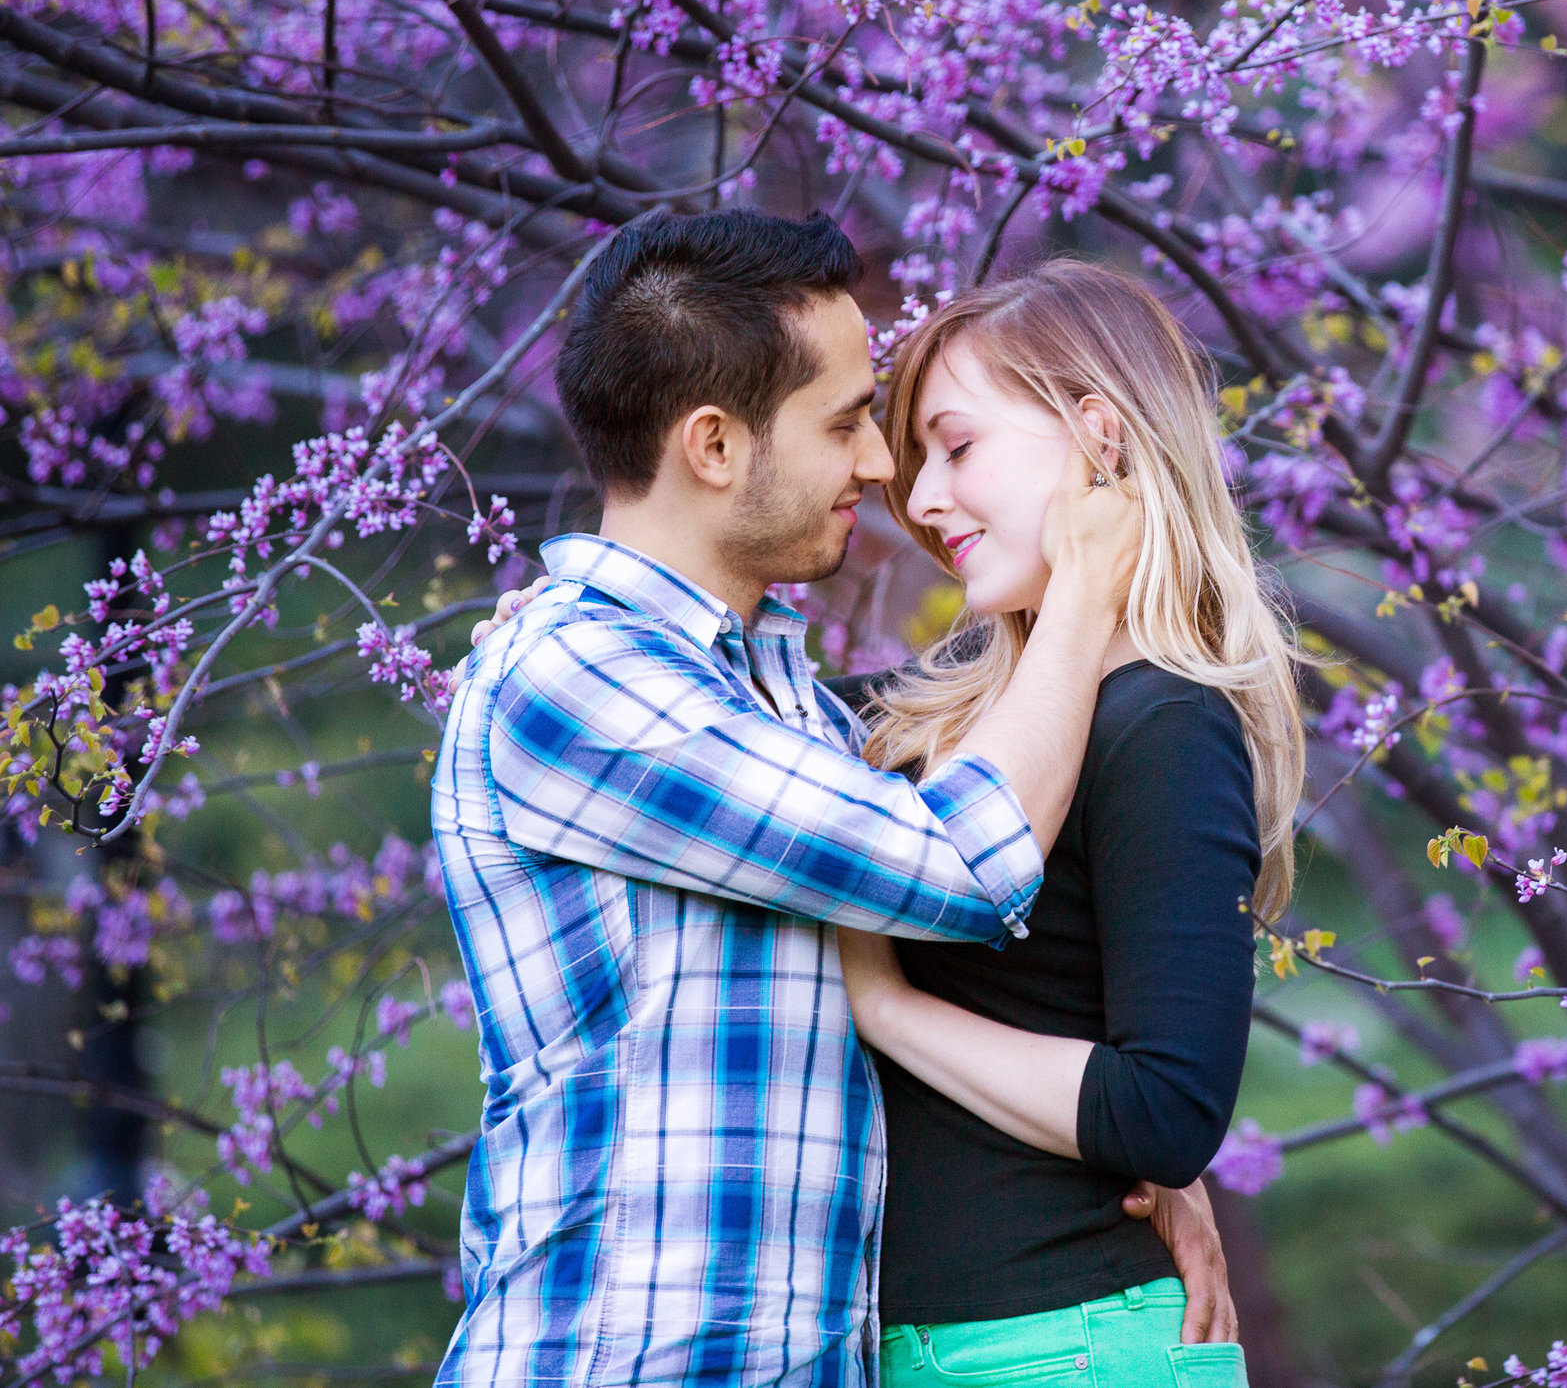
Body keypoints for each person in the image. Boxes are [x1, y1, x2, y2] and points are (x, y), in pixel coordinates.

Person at [430, 208, 1192, 1388]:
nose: (883, 468)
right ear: (715, 446)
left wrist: (1146, 1169)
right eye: (845, 423)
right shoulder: (573, 675)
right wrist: (1089, 587)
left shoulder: (791, 712)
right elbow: (963, 869)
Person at [835, 261, 1302, 1388]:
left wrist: (882, 1006)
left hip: (1068, 1345)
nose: (923, 499)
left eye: (957, 447)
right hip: (932, 1349)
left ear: (1098, 433)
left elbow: (1164, 1113)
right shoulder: (941, 708)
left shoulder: (1164, 720)